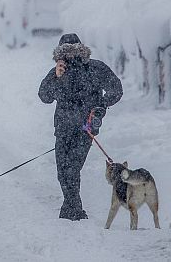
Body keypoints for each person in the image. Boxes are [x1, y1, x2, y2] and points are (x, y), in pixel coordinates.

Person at [38, 33, 123, 221]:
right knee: (64, 171)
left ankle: (73, 210)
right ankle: (72, 208)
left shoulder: (94, 68)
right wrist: (56, 76)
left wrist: (100, 107)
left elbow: (116, 90)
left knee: (70, 169)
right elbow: (44, 96)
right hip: (64, 129)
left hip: (84, 129)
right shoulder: (59, 72)